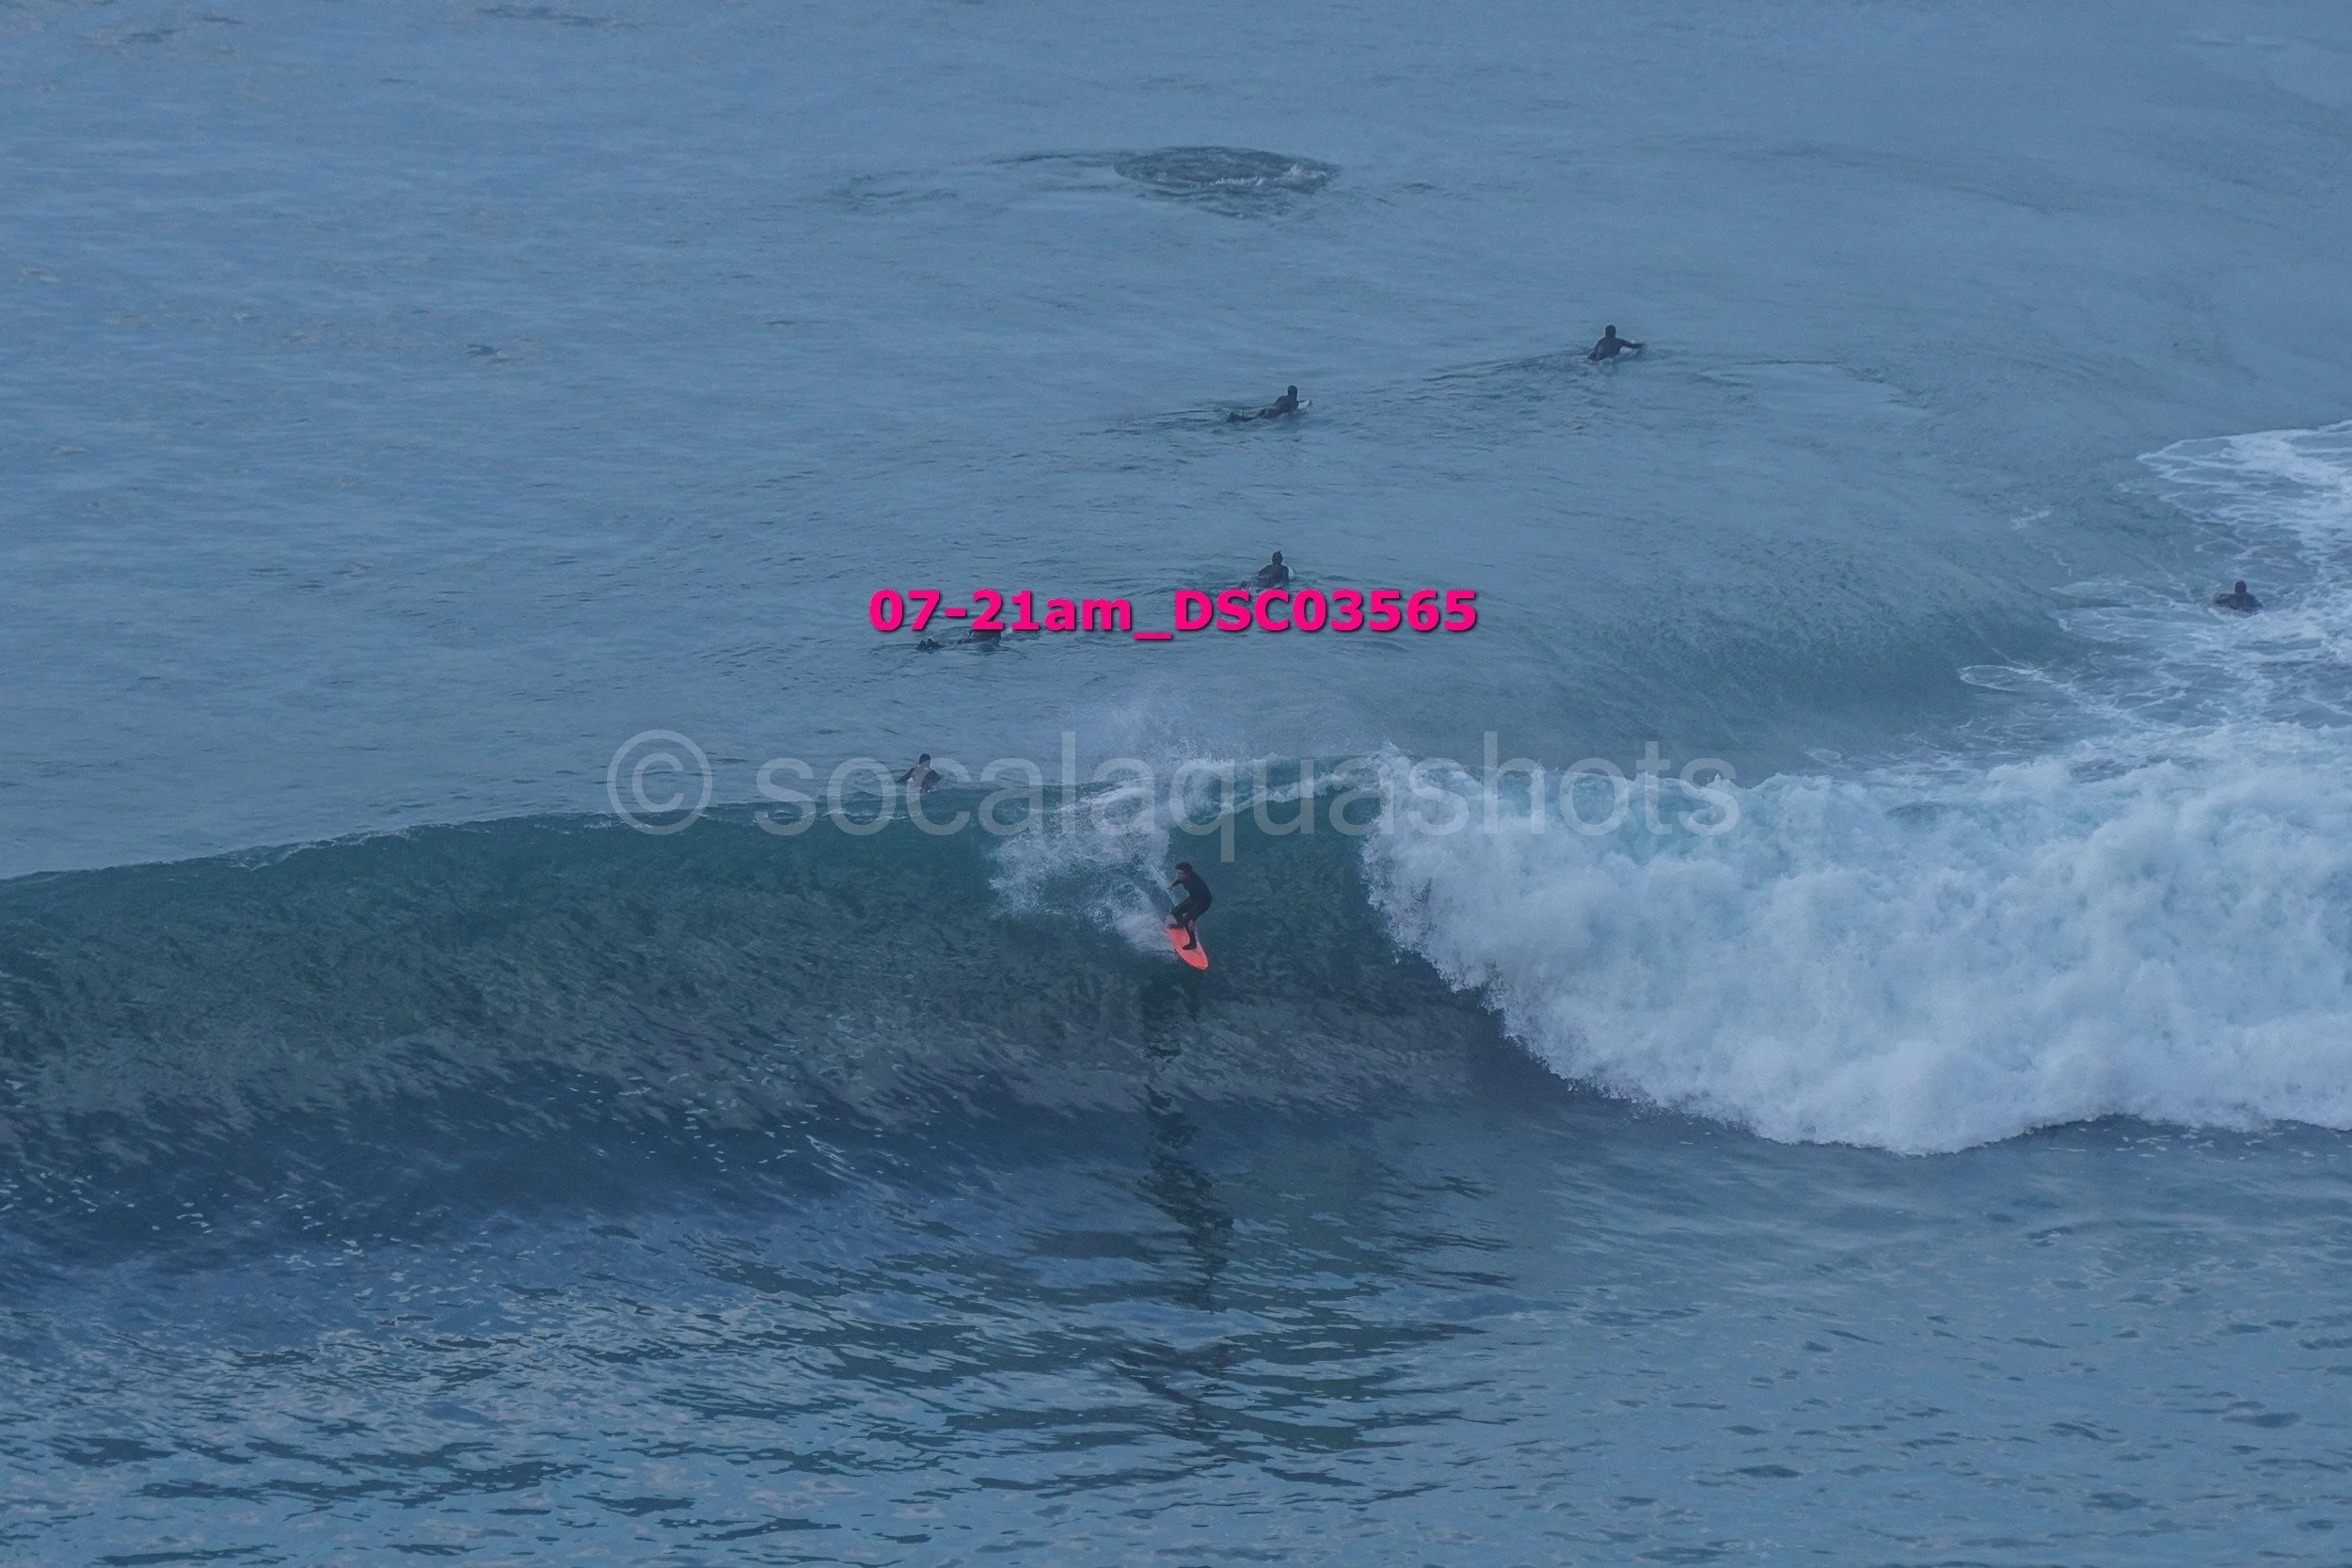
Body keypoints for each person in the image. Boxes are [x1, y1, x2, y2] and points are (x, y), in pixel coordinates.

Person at [1167, 862, 1213, 952]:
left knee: (1189, 923)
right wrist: (1173, 884)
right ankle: (1180, 925)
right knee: (1175, 912)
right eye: (1177, 873)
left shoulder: (1197, 885)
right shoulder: (1185, 877)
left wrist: (1193, 920)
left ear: (1187, 873)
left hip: (1203, 903)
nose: (1178, 875)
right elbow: (1180, 880)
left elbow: (1197, 904)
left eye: (1180, 873)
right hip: (1194, 898)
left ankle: (1193, 943)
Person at [1230, 386, 1302, 421]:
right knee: (1253, 420)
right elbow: (1292, 413)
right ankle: (1237, 418)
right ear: (1296, 393)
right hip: (1274, 413)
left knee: (1253, 418)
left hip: (1268, 409)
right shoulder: (1294, 402)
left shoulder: (1282, 397)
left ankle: (1237, 417)